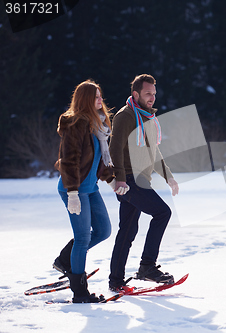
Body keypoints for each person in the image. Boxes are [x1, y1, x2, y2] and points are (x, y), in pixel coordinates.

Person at [53, 79, 128, 303]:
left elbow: (97, 161)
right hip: (73, 188)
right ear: (85, 100)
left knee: (103, 230)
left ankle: (66, 259)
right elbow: (69, 161)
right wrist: (73, 193)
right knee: (83, 237)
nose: (100, 100)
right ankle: (80, 291)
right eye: (95, 97)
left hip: (90, 188)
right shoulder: (76, 124)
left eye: (100, 96)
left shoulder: (98, 125)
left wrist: (112, 182)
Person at [108, 74, 179, 292]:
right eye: (148, 93)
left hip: (140, 180)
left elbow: (154, 152)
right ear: (135, 94)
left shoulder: (147, 117)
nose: (152, 98)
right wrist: (119, 179)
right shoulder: (125, 116)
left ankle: (116, 280)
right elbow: (114, 148)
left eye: (154, 94)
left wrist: (168, 176)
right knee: (162, 213)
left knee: (128, 231)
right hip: (129, 180)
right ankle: (147, 266)